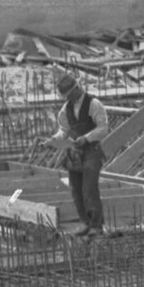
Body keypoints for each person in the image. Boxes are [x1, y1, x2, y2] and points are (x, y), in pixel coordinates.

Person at [49, 70, 110, 236]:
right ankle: (86, 222)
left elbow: (103, 128)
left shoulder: (94, 104)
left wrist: (87, 138)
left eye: (69, 95)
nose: (67, 100)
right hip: (75, 154)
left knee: (89, 188)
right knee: (76, 190)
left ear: (76, 89)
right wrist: (54, 139)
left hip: (92, 152)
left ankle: (97, 225)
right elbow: (64, 129)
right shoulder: (66, 108)